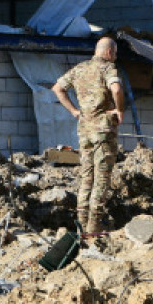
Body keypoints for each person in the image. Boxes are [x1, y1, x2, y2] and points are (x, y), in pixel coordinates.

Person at [51, 37, 124, 234]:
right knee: (101, 177)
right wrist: (119, 109)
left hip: (84, 130)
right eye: (115, 53)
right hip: (103, 131)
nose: (115, 57)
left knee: (86, 177)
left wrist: (75, 111)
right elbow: (116, 88)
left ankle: (81, 224)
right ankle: (94, 225)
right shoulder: (107, 68)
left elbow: (57, 88)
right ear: (109, 52)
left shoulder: (80, 68)